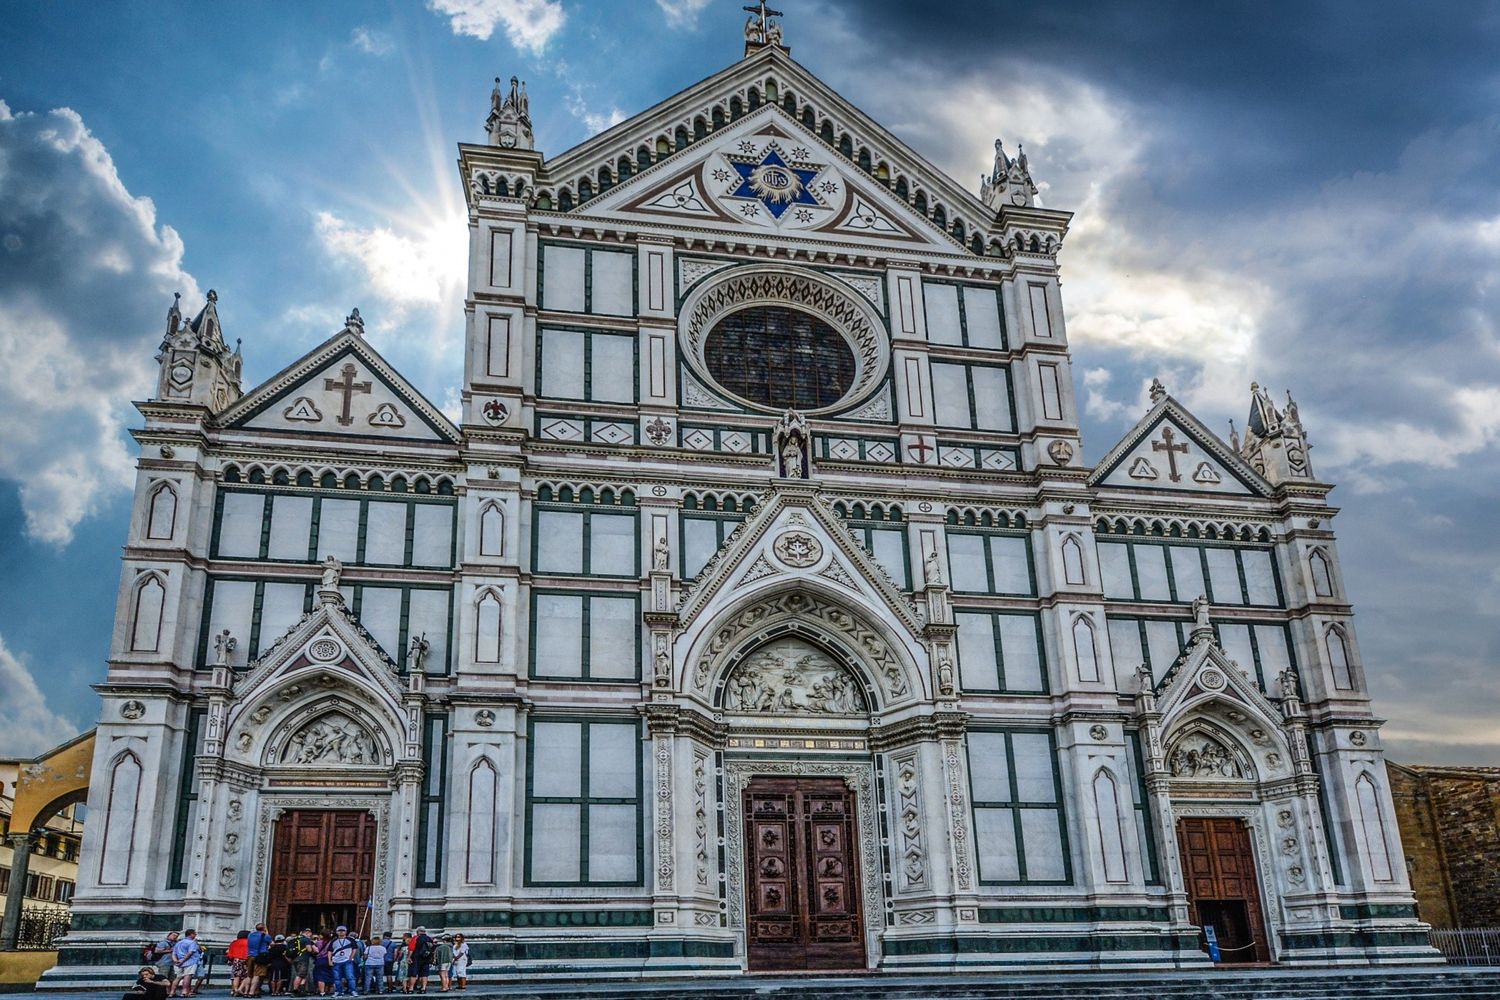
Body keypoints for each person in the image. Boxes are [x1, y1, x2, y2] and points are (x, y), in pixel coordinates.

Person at [170, 930, 201, 998]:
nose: (195, 935)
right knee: (187, 977)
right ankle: (184, 992)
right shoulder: (192, 942)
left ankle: (172, 992)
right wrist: (183, 961)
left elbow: (173, 953)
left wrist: (176, 961)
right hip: (190, 962)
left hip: (179, 962)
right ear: (191, 934)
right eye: (194, 934)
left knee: (177, 978)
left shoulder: (179, 942)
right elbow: (190, 953)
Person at [329, 925, 359, 997]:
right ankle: (338, 991)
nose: (341, 932)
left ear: (346, 932)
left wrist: (351, 957)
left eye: (343, 931)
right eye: (339, 931)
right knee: (337, 977)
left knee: (350, 976)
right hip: (336, 961)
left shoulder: (351, 940)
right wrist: (329, 960)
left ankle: (353, 990)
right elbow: (330, 951)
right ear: (336, 932)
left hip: (347, 960)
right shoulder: (334, 941)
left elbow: (355, 949)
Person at [403, 928, 432, 994]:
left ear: (418, 932)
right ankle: (423, 988)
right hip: (426, 958)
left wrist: (409, 957)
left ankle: (411, 989)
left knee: (413, 974)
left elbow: (411, 949)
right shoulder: (429, 938)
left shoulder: (415, 938)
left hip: (416, 958)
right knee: (424, 974)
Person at [246, 922, 273, 996]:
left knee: (249, 975)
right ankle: (252, 992)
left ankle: (246, 991)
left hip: (250, 955)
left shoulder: (250, 935)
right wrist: (267, 933)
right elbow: (272, 944)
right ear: (264, 928)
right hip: (260, 956)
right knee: (257, 975)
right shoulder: (266, 936)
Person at [291, 929, 315, 996]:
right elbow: (309, 949)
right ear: (307, 933)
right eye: (310, 934)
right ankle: (295, 990)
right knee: (300, 975)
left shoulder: (296, 939)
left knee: (303, 975)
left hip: (295, 958)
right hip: (303, 959)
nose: (311, 935)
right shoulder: (306, 939)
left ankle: (302, 990)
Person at [226, 931, 251, 997]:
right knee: (247, 975)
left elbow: (230, 953)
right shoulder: (249, 942)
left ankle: (235, 990)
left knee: (236, 976)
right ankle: (240, 988)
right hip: (246, 959)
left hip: (236, 960)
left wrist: (230, 960)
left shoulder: (234, 942)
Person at [311, 932, 334, 997]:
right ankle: (331, 990)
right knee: (329, 975)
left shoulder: (318, 942)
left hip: (320, 960)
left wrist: (312, 945)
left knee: (320, 977)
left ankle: (322, 992)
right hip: (329, 960)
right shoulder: (331, 942)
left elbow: (316, 951)